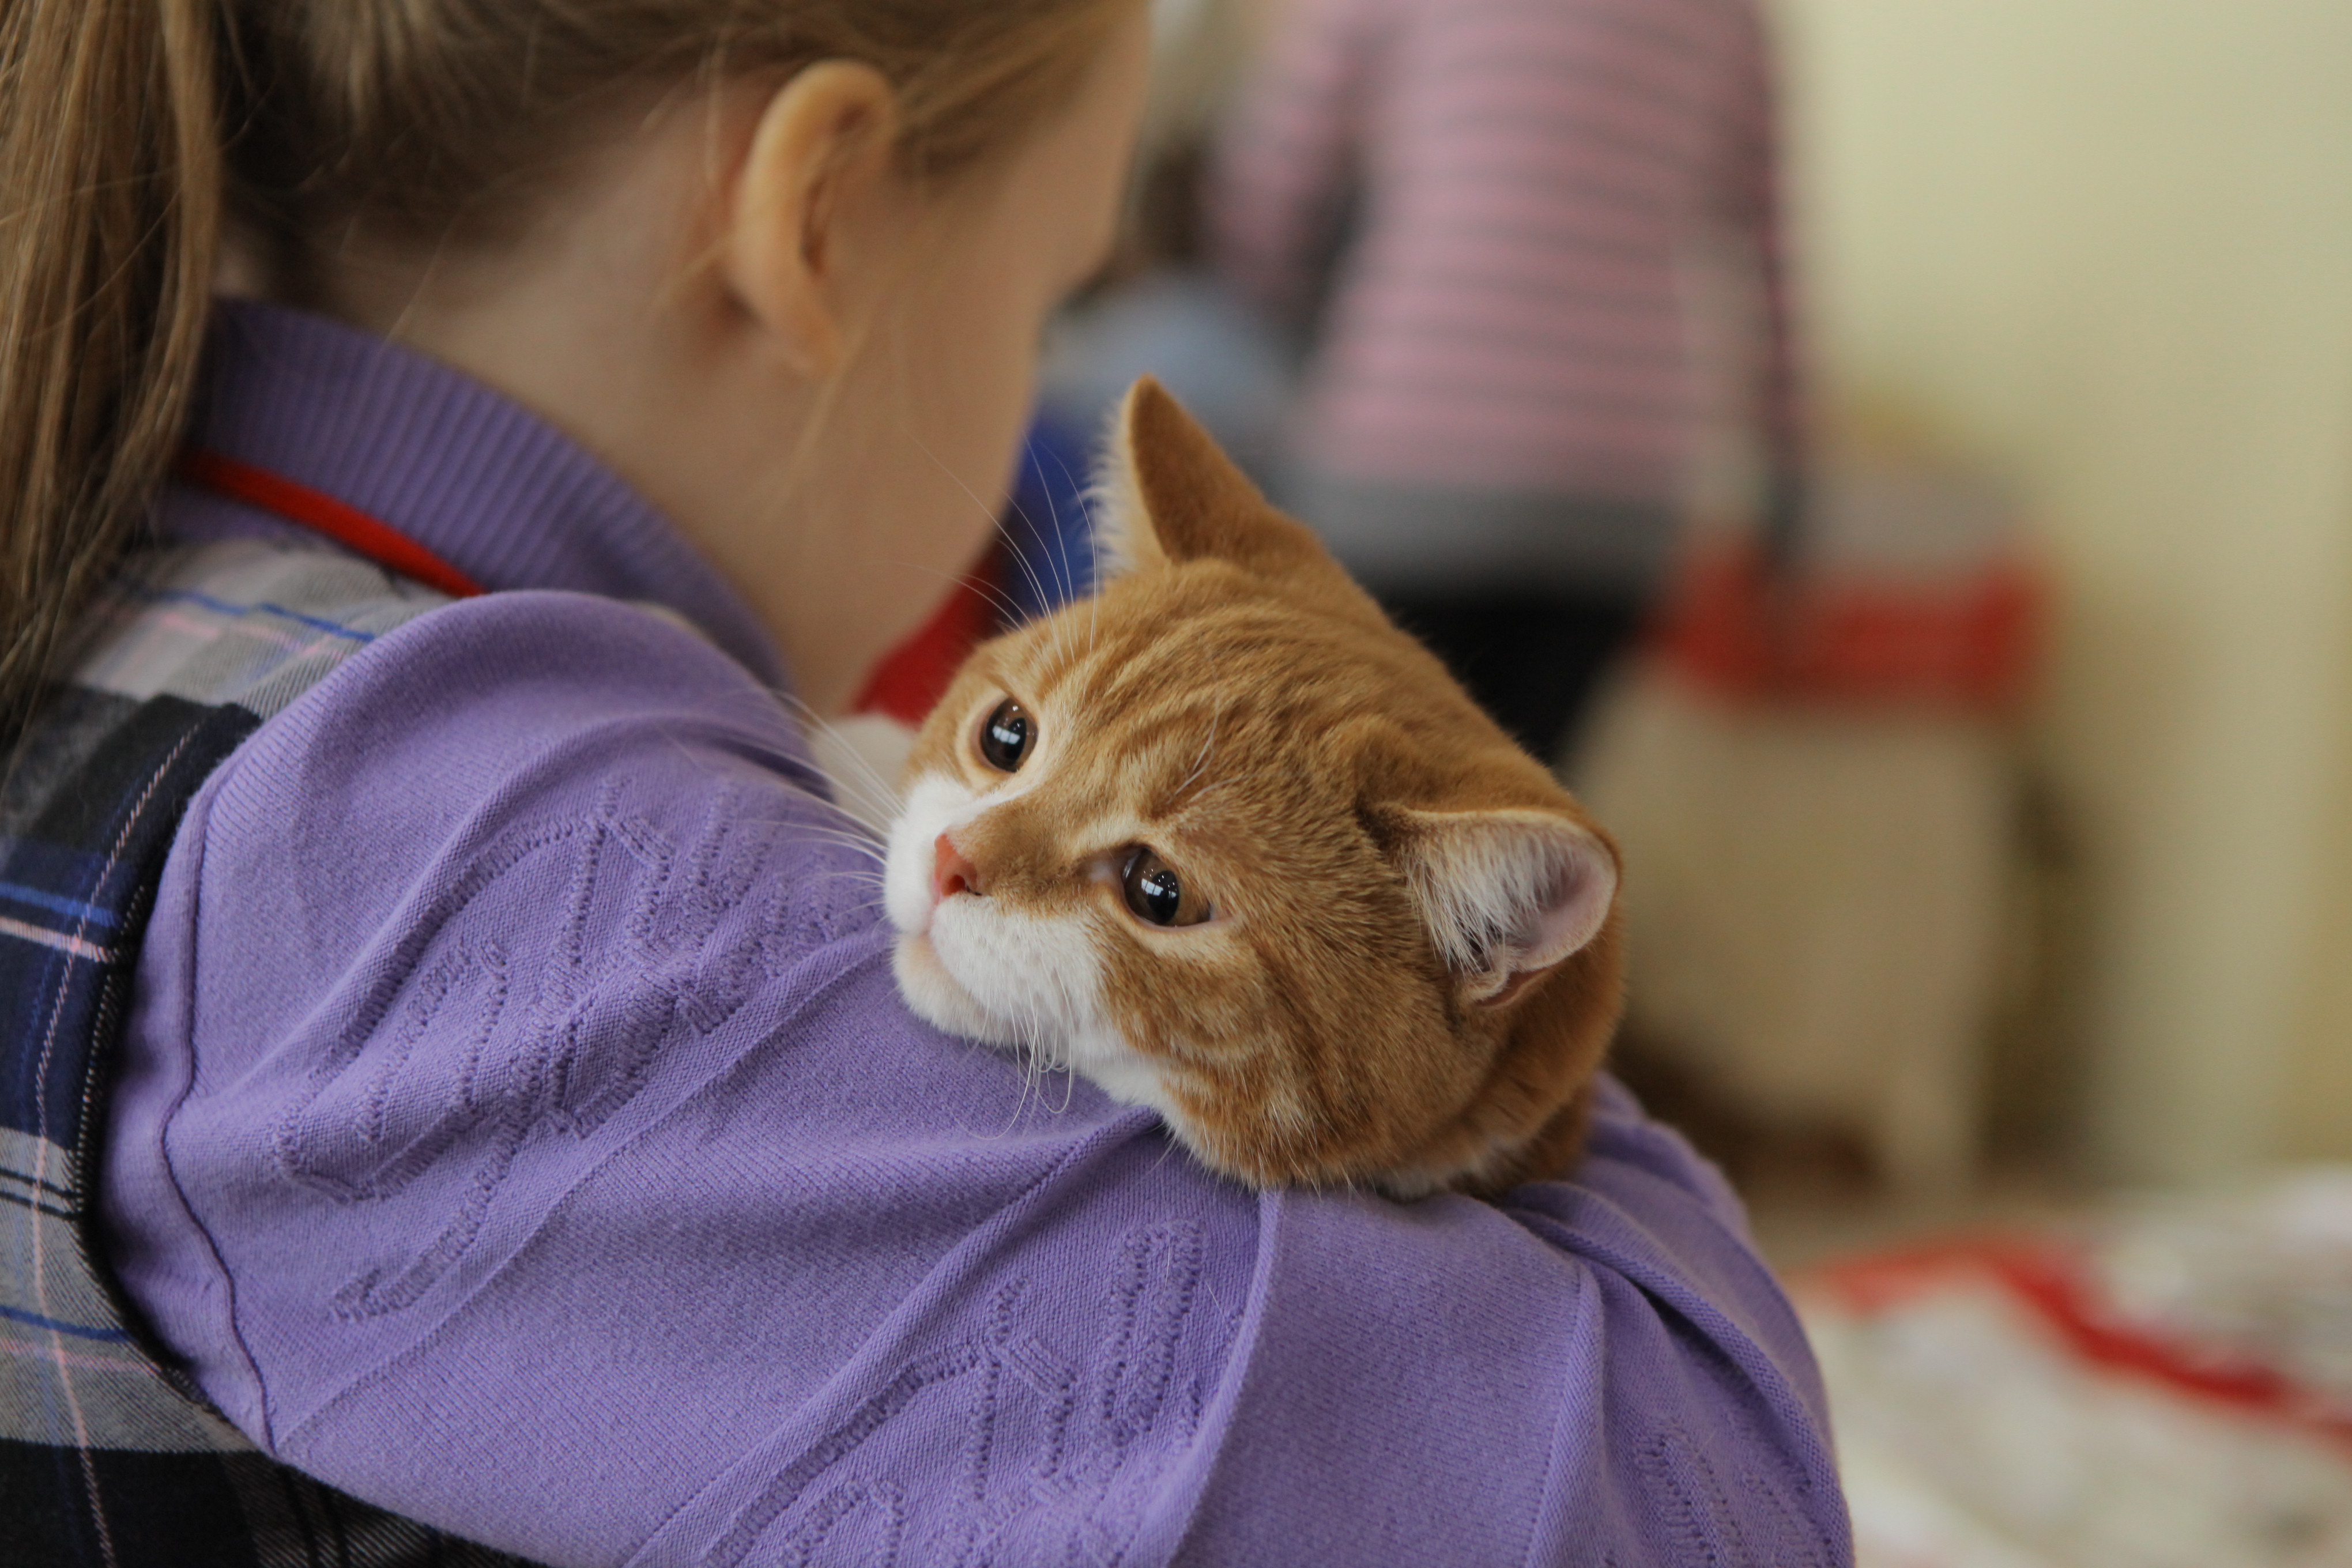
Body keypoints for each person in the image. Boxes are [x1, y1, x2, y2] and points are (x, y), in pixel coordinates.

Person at [0, 3, 1850, 1565]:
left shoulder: (157, 576)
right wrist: (1532, 1088)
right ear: (810, 224)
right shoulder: (494, 867)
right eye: (1057, 294)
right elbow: (1723, 1506)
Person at [1209, 0, 1806, 760]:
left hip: (1404, 454)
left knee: (1331, 815)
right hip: (1617, 481)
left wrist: (1293, 321)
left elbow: (1266, 185)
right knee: (1516, 830)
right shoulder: (1729, 16)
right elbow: (1771, 253)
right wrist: (1791, 497)